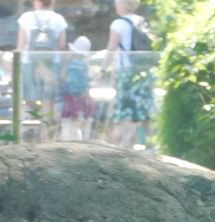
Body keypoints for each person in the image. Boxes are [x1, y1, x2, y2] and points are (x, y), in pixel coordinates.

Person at [104, 0, 155, 149]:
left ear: (123, 4)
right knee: (140, 106)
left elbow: (111, 48)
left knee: (125, 107)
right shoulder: (142, 22)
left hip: (125, 71)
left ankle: (126, 144)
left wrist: (102, 69)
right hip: (142, 71)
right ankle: (144, 143)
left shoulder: (118, 24)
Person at [16, 0, 67, 138]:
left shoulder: (26, 17)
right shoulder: (58, 19)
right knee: (48, 100)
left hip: (29, 63)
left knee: (27, 99)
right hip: (52, 64)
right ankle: (46, 136)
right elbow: (62, 47)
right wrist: (62, 69)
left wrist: (17, 68)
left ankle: (24, 135)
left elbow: (21, 45)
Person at [60, 35, 94, 141]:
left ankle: (67, 140)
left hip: (69, 96)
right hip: (82, 96)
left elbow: (62, 76)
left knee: (67, 121)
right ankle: (83, 140)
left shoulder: (68, 62)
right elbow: (89, 79)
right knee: (81, 120)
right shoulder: (85, 64)